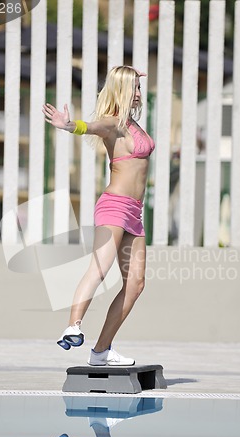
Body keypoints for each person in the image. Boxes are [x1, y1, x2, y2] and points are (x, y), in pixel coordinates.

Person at [42, 65, 155, 366]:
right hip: (115, 206)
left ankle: (101, 351)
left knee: (136, 284)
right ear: (122, 90)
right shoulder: (113, 125)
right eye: (134, 88)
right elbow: (87, 127)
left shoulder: (134, 126)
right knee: (101, 267)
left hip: (135, 213)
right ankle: (73, 326)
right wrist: (69, 125)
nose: (139, 94)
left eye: (139, 88)